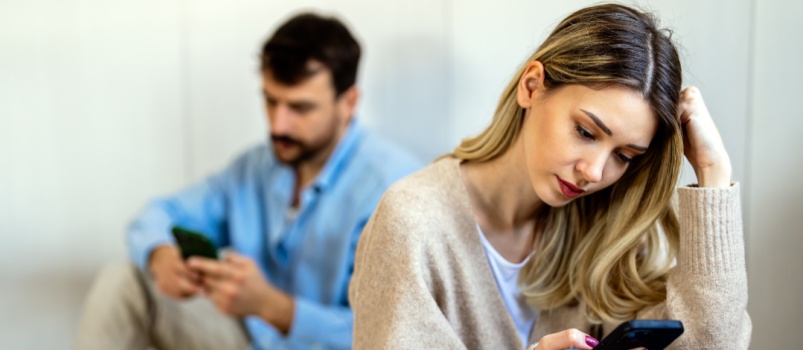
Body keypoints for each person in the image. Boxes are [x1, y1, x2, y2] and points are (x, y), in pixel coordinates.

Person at [348, 4, 750, 350]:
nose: (594, 172)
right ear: (532, 86)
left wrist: (714, 176)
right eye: (586, 132)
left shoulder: (605, 228)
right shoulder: (413, 225)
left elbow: (711, 342)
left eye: (624, 156)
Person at [73, 12, 421, 350]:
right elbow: (156, 216)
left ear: (349, 103)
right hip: (251, 338)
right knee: (124, 281)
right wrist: (161, 256)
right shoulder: (255, 166)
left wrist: (272, 306)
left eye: (300, 108)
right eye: (270, 102)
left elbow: (395, 334)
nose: (278, 126)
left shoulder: (395, 190)